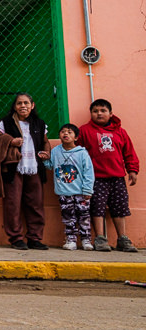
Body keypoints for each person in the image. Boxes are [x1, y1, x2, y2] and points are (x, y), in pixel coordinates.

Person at [77, 99, 140, 252]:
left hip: (117, 177)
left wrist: (132, 169)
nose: (99, 113)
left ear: (110, 113)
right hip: (95, 178)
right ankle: (100, 238)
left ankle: (122, 239)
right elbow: (78, 153)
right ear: (91, 114)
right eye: (95, 111)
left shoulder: (120, 132)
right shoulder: (84, 130)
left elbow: (129, 152)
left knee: (119, 207)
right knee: (97, 207)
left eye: (103, 110)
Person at [0, 93, 51, 250]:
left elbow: (45, 143)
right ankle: (16, 238)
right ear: (14, 106)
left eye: (26, 103)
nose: (23, 106)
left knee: (36, 204)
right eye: (19, 103)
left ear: (32, 106)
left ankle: (35, 239)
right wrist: (10, 141)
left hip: (35, 168)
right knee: (13, 204)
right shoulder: (6, 123)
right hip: (13, 169)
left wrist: (47, 153)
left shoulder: (39, 124)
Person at [41, 123, 95, 251]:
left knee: (84, 216)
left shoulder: (82, 153)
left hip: (81, 192)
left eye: (70, 132)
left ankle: (86, 240)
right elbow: (50, 166)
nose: (66, 134)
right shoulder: (55, 151)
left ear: (76, 137)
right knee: (68, 217)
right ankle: (71, 240)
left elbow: (89, 172)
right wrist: (44, 159)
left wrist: (88, 189)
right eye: (63, 131)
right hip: (63, 192)